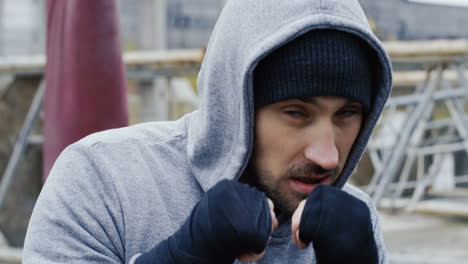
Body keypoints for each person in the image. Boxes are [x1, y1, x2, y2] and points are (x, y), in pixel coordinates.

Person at [23, 0, 392, 263]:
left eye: (347, 114)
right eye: (295, 113)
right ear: (236, 105)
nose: (327, 155)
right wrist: (182, 255)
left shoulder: (357, 218)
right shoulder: (102, 178)